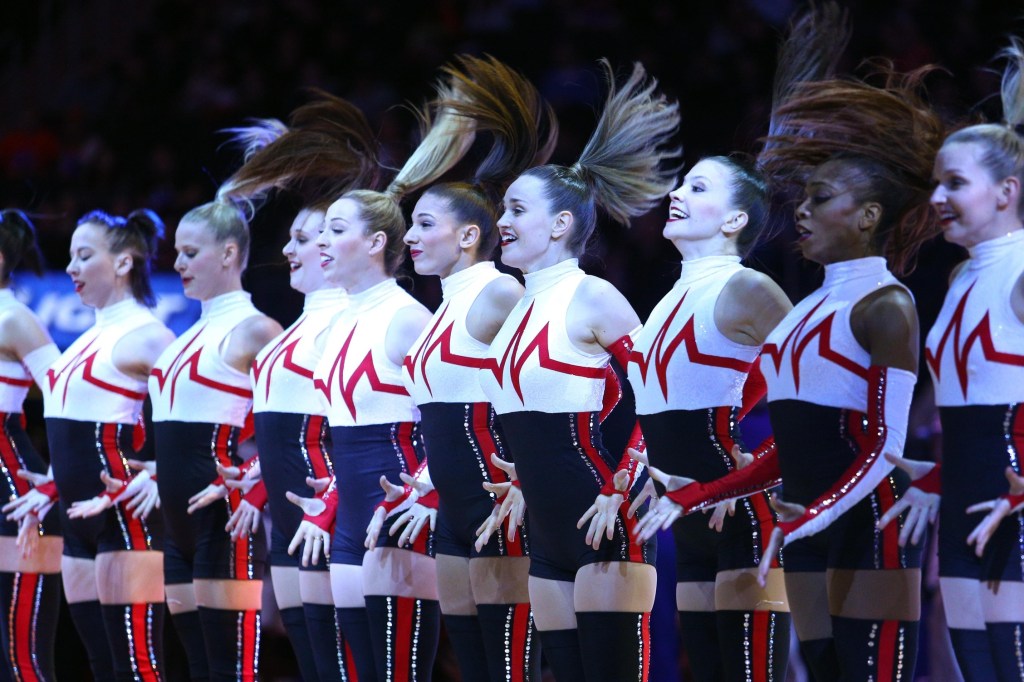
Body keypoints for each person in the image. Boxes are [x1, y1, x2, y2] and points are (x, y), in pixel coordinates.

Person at [652, 68, 944, 679]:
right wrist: (702, 493)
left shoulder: (887, 305)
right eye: (804, 197)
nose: (802, 212)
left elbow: (885, 446)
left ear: (868, 216)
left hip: (866, 525)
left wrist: (816, 513)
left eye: (820, 199)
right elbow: (791, 444)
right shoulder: (805, 311)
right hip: (804, 524)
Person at [289, 57, 505, 681]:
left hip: (398, 501)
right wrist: (330, 499)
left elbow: (459, 409)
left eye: (333, 231)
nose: (320, 244)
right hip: (352, 508)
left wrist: (428, 487)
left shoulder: (409, 317)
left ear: (376, 243)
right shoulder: (338, 321)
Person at [476, 60, 679, 681]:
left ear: (561, 224)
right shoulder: (511, 310)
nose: (500, 223)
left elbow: (660, 396)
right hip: (544, 528)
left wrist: (623, 482)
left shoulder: (593, 296)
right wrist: (516, 479)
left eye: (515, 210)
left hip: (602, 518)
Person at [393, 56, 556, 681]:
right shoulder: (441, 310)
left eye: (425, 224)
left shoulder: (498, 294)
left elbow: (538, 396)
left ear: (468, 237)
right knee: (474, 667)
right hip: (452, 510)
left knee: (511, 669)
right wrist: (426, 481)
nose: (411, 236)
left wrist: (524, 482)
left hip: (497, 503)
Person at [626, 155, 793, 681]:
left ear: (734, 220)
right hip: (688, 524)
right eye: (680, 184)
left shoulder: (748, 288)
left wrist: (745, 472)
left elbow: (814, 402)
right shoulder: (670, 298)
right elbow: (674, 400)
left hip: (739, 517)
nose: (677, 193)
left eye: (697, 187)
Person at [910, 39, 1024, 681]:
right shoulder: (957, 280)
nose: (937, 198)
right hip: (963, 502)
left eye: (955, 183)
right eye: (936, 184)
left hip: (1014, 503)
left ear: (1007, 190)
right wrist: (936, 477)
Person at [35, 209, 173, 681]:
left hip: (125, 518)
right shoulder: (85, 338)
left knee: (136, 667)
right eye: (71, 257)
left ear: (123, 262)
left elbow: (196, 416)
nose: (71, 267)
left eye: (85, 255)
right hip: (76, 522)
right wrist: (51, 482)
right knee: (101, 665)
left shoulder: (151, 335)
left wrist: (158, 471)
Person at [148, 200, 282, 681]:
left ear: (228, 253)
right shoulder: (186, 335)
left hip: (225, 523)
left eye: (189, 252)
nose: (178, 264)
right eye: (177, 253)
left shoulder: (258, 330)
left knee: (231, 671)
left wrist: (252, 482)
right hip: (176, 526)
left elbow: (299, 430)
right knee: (198, 666)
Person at [0, 209, 62, 681]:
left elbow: (67, 397)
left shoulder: (15, 318)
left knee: (22, 657)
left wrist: (59, 479)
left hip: (17, 497)